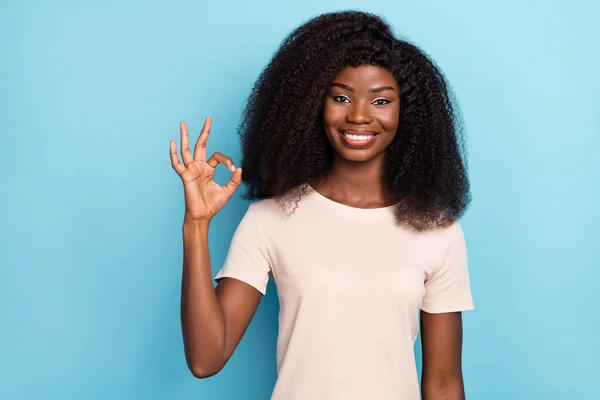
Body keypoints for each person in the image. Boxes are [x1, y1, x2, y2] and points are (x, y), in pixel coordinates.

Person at [169, 10, 474, 400]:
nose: (360, 115)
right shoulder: (270, 219)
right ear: (314, 103)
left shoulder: (438, 232)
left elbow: (444, 383)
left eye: (381, 100)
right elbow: (206, 359)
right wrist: (195, 225)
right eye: (341, 97)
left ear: (408, 114)